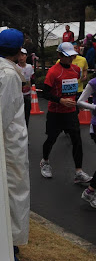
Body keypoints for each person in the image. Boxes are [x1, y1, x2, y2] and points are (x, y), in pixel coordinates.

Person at [0, 28, 32, 261]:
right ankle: (9, 251)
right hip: (9, 145)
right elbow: (2, 115)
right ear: (19, 51)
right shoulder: (9, 75)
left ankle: (8, 247)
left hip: (6, 144)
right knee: (14, 195)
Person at [40, 42, 91, 184]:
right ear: (60, 55)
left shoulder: (76, 70)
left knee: (77, 140)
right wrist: (61, 100)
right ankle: (45, 161)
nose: (71, 59)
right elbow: (45, 93)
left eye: (72, 56)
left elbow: (74, 89)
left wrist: (78, 102)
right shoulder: (53, 72)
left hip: (71, 112)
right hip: (55, 112)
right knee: (51, 139)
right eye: (68, 56)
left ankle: (79, 171)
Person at [77, 78, 96, 208]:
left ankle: (90, 191)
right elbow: (80, 102)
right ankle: (90, 191)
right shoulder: (94, 82)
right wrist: (94, 107)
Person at [17, 48, 34, 127]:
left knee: (27, 113)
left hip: (27, 94)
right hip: (18, 95)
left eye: (23, 55)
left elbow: (32, 78)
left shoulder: (29, 67)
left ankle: (26, 129)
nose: (21, 57)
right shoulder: (15, 67)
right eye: (19, 55)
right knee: (19, 115)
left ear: (26, 56)